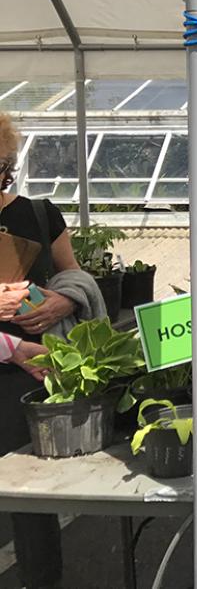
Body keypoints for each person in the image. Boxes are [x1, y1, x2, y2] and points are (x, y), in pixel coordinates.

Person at [1, 113, 106, 589]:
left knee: (30, 491)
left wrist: (66, 298)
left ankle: (41, 579)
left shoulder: (39, 214)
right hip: (10, 352)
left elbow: (73, 273)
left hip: (36, 369)